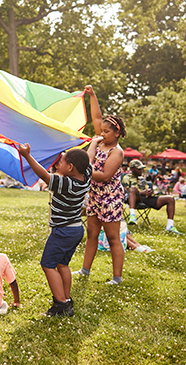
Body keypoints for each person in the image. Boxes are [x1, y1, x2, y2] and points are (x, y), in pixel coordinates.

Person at [19, 143, 91, 316]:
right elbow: (89, 158)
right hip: (76, 229)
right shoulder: (86, 176)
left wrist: (27, 155)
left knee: (48, 265)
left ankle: (61, 305)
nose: (58, 165)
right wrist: (94, 142)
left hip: (62, 231)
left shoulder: (64, 183)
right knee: (62, 264)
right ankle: (66, 298)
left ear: (71, 167)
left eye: (61, 162)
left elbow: (44, 175)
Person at [73, 85, 127, 285]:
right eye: (101, 131)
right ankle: (85, 270)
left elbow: (104, 176)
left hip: (110, 199)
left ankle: (117, 278)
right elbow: (97, 118)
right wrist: (93, 95)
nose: (102, 133)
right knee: (92, 234)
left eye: (106, 131)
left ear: (117, 132)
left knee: (113, 238)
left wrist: (84, 171)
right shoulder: (102, 141)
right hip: (95, 197)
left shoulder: (117, 152)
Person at [122, 159, 182, 233]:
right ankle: (132, 216)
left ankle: (170, 226)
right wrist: (141, 192)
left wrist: (149, 192)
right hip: (134, 198)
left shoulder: (142, 179)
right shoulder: (127, 177)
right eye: (138, 169)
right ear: (132, 169)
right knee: (133, 189)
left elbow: (147, 188)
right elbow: (126, 191)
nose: (141, 170)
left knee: (170, 199)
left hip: (146, 198)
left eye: (141, 168)